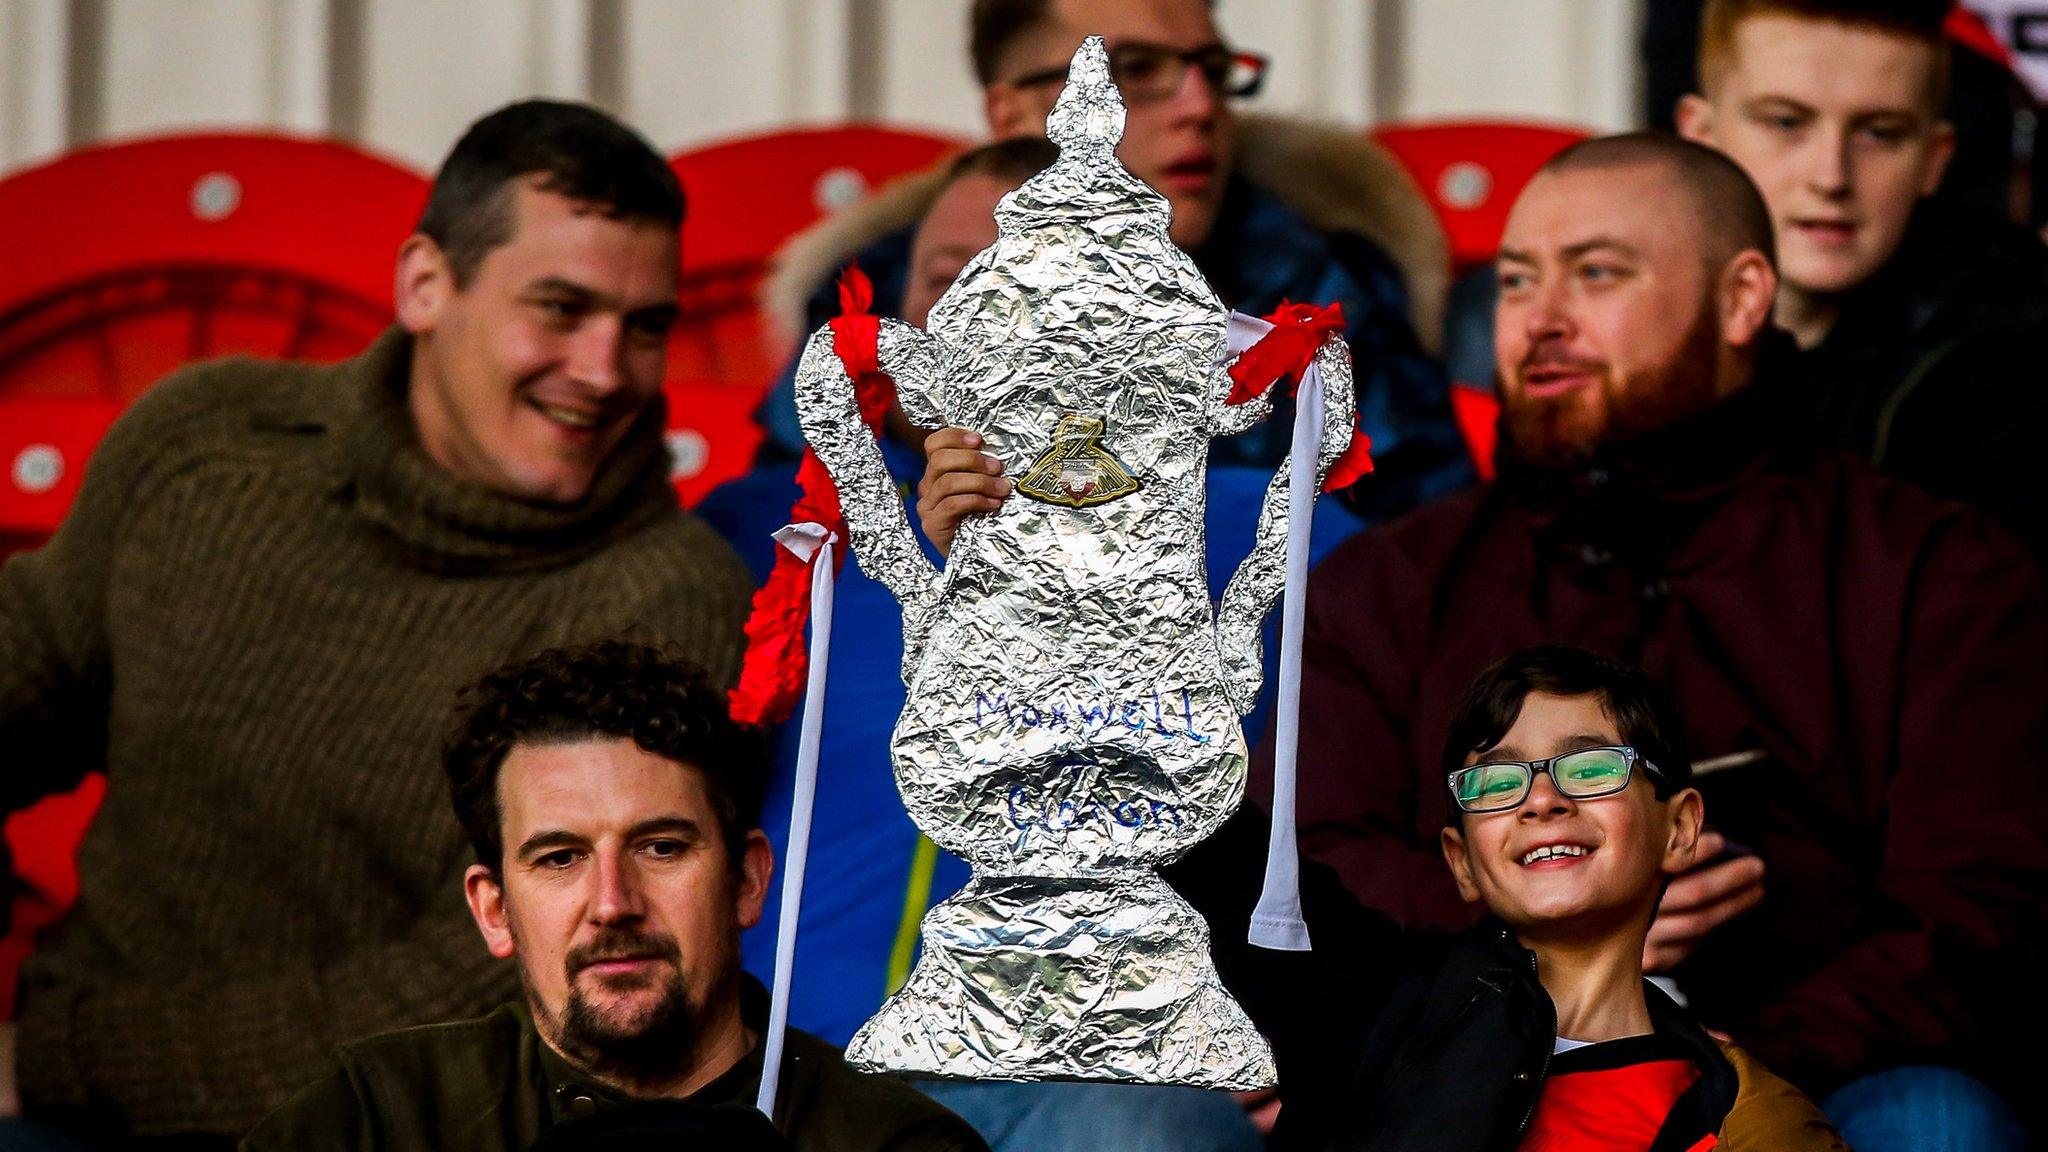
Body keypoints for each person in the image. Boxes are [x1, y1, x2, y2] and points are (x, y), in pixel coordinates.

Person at [922, 130, 2048, 1148]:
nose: (1537, 317)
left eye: (1595, 274)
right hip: (1459, 1070)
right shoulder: (1391, 581)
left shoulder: (1934, 570)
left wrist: (1700, 1068)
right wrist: (1549, 934)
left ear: (1741, 296)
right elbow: (1304, 876)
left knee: (1932, 1120)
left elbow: (1973, 917)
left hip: (1812, 1067)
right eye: (1514, 280)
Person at [0, 101, 754, 1145]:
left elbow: (486, 991)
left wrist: (57, 1064)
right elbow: (27, 669)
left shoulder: (663, 599)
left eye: (645, 327)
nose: (604, 371)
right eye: (560, 308)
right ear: (425, 285)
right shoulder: (209, 444)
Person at [700, 136, 1356, 1152]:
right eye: (943, 282)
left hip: (1103, 1084)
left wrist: (1311, 1037)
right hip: (802, 1070)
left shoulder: (1275, 531)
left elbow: (1379, 816)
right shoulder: (769, 529)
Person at [240, 642, 986, 1152]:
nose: (613, 901)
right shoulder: (373, 1119)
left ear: (748, 881)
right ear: (494, 910)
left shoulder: (890, 1141)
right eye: (560, 858)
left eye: (661, 848)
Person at [756, 0, 1473, 518]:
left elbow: (1430, 551)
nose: (1199, 106)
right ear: (1011, 116)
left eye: (1213, 69)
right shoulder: (877, 292)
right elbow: (787, 533)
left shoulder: (1322, 288)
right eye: (1134, 69)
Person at [1189, 646, 1847, 1151]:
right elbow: (1215, 850)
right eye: (1497, 782)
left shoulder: (1744, 1115)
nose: (1542, 800)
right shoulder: (1378, 1000)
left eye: (1590, 768)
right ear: (1462, 862)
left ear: (1679, 829)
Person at [1674, 0, 2048, 558]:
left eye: (1879, 133)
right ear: (1701, 134)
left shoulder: (2024, 355)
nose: (1831, 176)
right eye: (1786, 122)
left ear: (1933, 159)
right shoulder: (1602, 327)